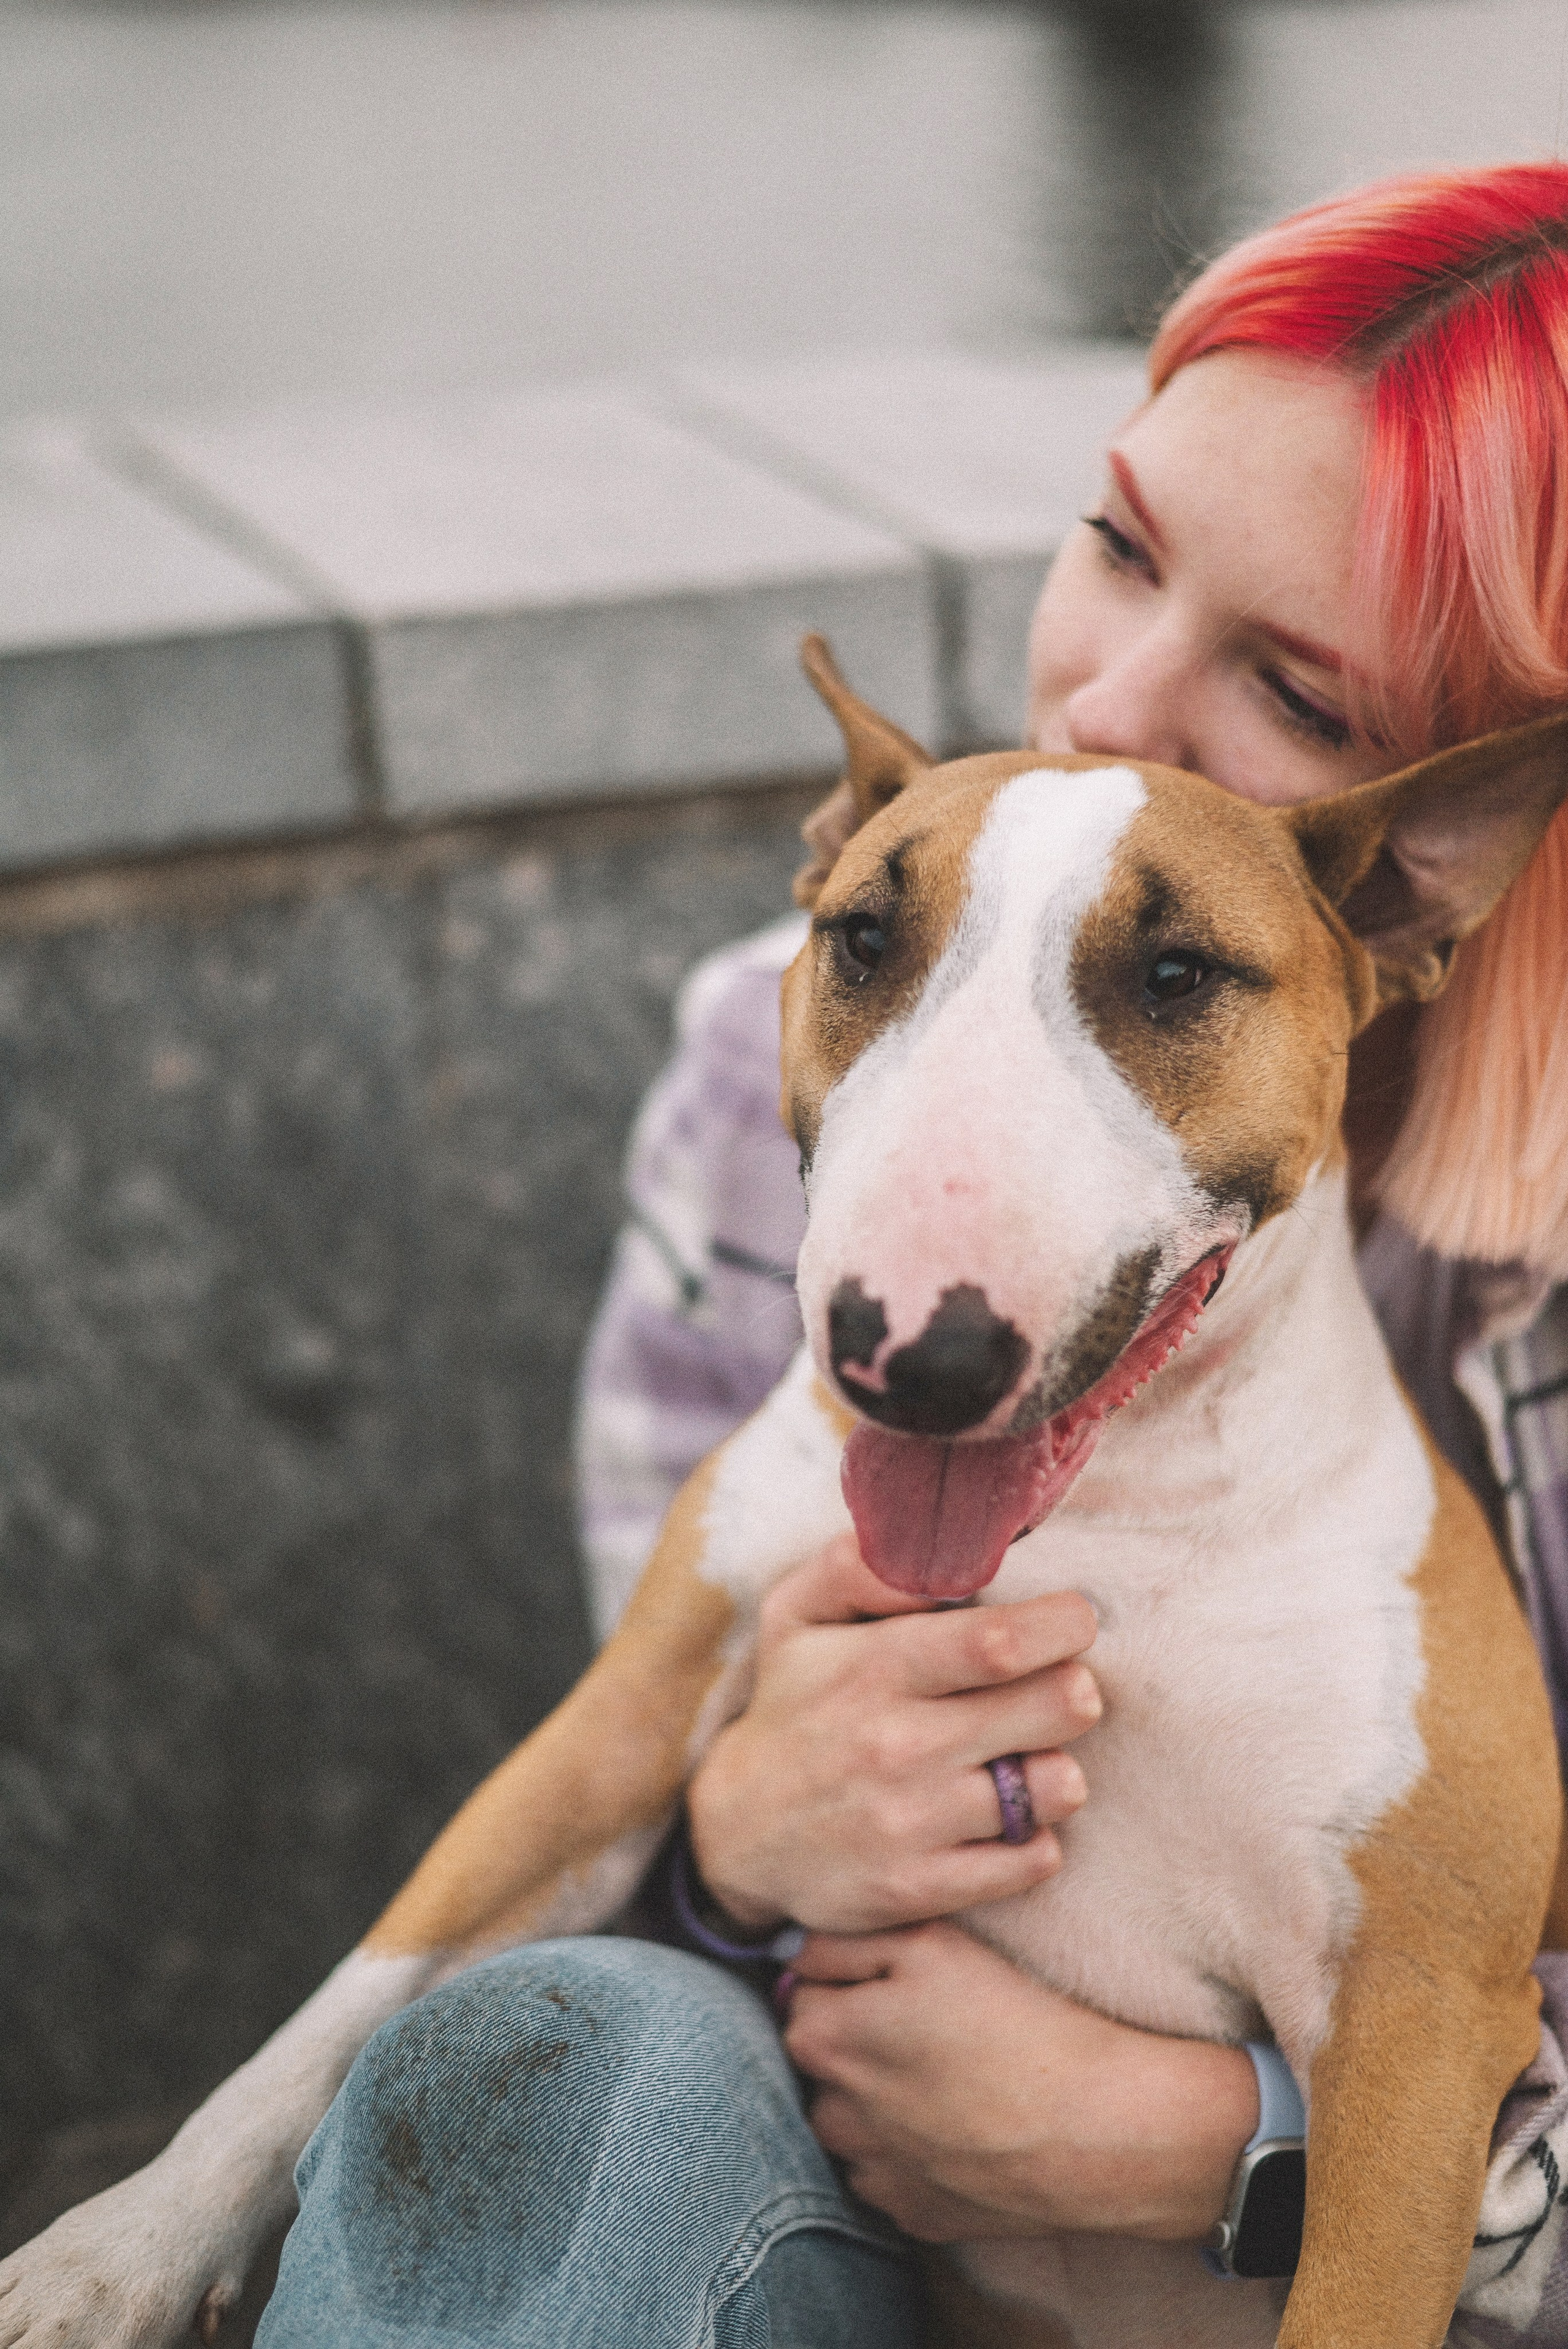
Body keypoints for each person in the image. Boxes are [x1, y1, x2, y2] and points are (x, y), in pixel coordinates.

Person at [260, 164, 1568, 2345]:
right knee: (573, 2068)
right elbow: (634, 1714)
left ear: (1447, 850)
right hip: (846, 2187)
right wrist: (738, 1841)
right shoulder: (763, 1054)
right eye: (1120, 543)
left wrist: (1222, 2139)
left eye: (1304, 699)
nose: (1111, 712)